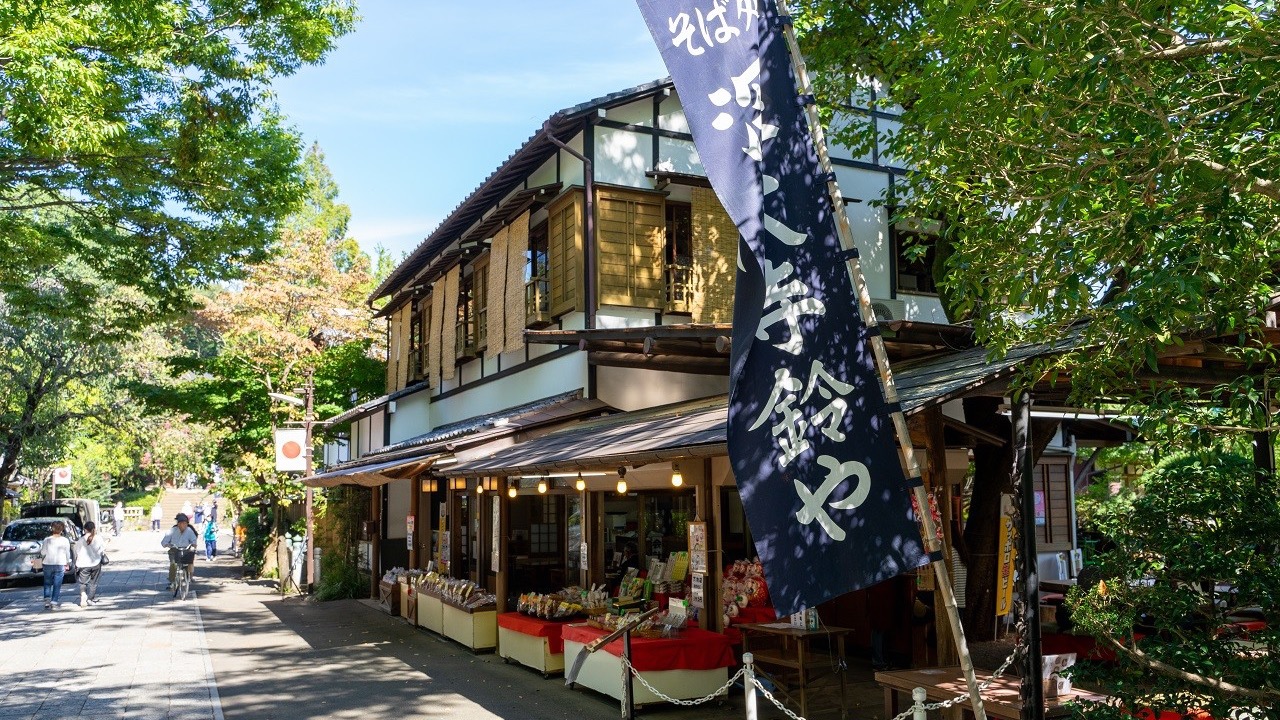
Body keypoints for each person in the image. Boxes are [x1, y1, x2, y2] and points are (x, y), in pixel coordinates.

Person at [161, 513, 199, 591]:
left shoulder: (189, 530)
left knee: (190, 562)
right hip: (174, 550)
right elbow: (164, 541)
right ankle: (172, 581)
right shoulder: (172, 530)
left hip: (186, 550)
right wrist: (167, 544)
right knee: (173, 564)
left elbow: (194, 539)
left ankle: (190, 576)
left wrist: (193, 544)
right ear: (178, 523)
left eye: (185, 523)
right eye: (181, 523)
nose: (183, 525)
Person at [39, 521, 72, 609]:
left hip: (47, 563)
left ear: (52, 529)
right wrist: (68, 562)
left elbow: (43, 552)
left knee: (47, 582)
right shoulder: (65, 540)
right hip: (60, 563)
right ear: (62, 530)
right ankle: (54, 602)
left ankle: (47, 601)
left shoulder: (47, 540)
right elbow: (67, 553)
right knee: (57, 583)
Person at [74, 521, 106, 607]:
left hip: (83, 563)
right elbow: (102, 549)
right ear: (93, 529)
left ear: (84, 529)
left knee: (83, 582)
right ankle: (90, 599)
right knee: (93, 582)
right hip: (95, 562)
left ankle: (83, 594)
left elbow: (76, 551)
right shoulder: (98, 538)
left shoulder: (81, 540)